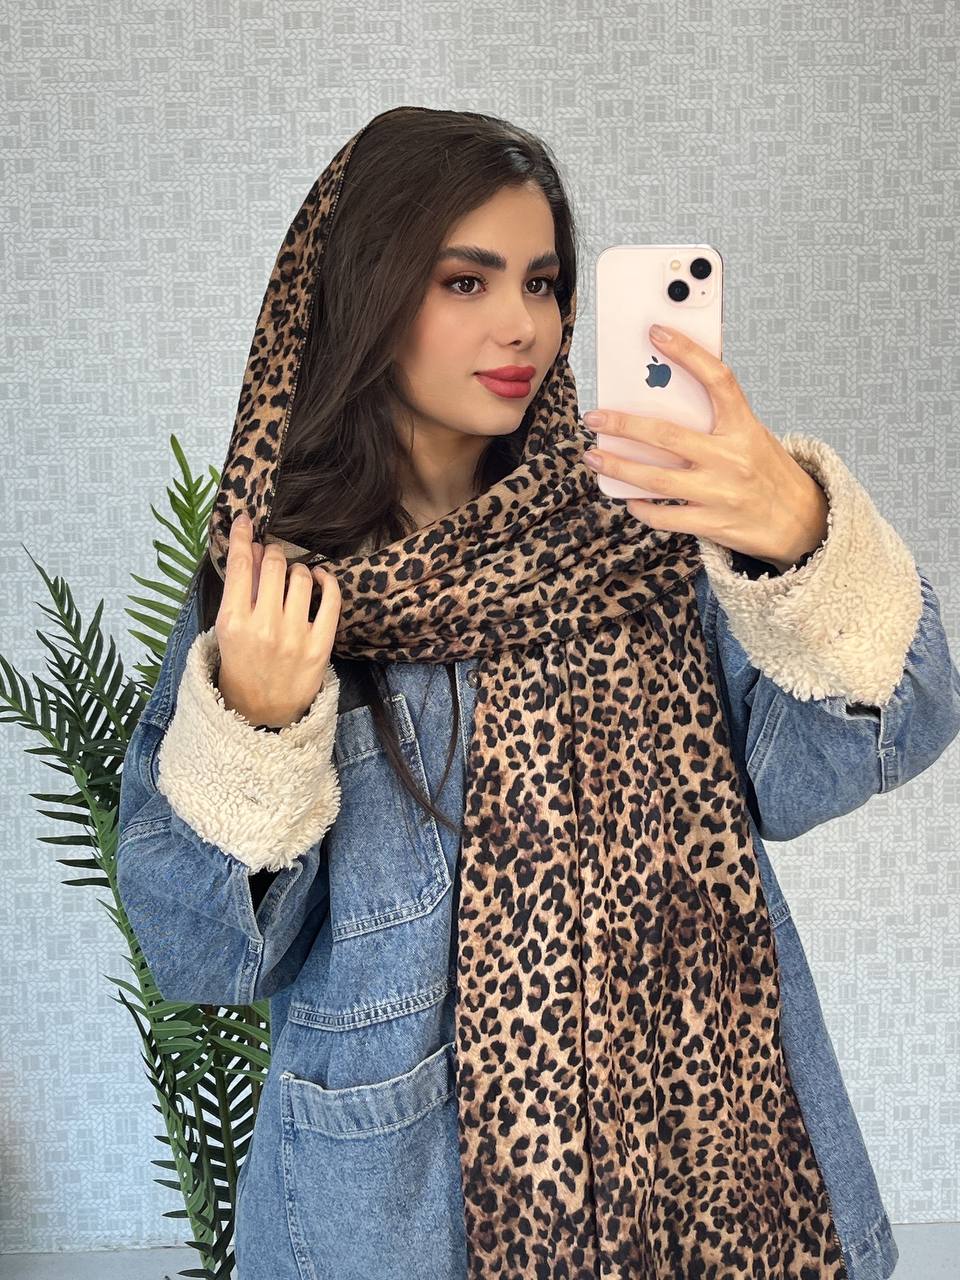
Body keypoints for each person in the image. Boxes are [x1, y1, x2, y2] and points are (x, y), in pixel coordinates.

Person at [117, 106, 960, 1280]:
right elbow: (204, 955)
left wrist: (802, 544)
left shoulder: (649, 539)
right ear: (365, 294)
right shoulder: (279, 595)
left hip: (701, 1187)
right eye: (466, 281)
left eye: (544, 281)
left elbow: (880, 735)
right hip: (403, 1220)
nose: (523, 322)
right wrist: (255, 726)